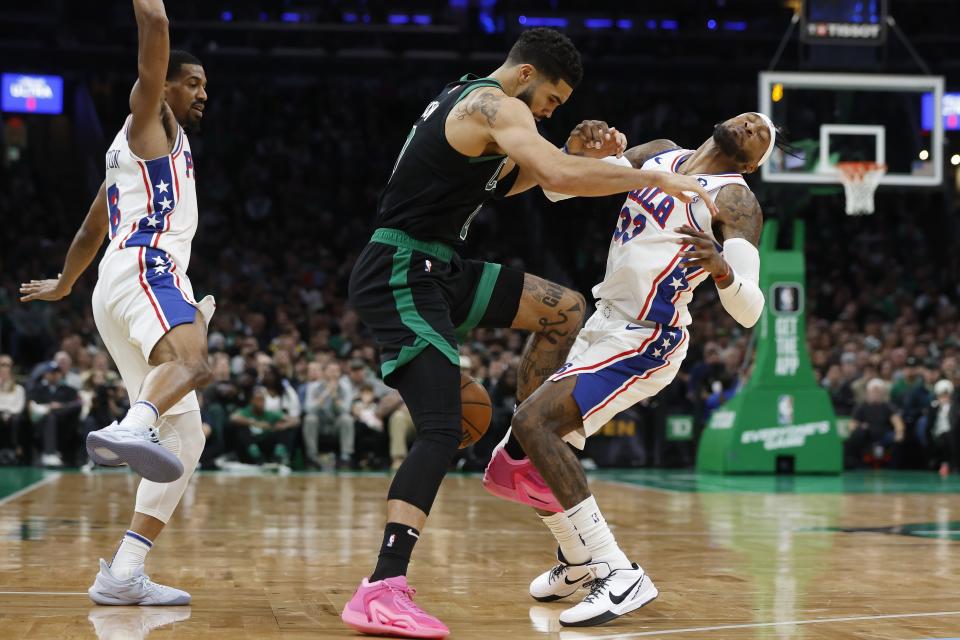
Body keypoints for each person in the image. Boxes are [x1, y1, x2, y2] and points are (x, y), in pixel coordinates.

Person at [341, 27, 717, 639]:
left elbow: (519, 181)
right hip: (403, 269)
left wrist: (575, 152)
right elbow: (556, 178)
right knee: (442, 428)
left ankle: (522, 453)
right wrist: (652, 178)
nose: (549, 111)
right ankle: (381, 588)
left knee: (564, 309)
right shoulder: (494, 103)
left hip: (442, 267)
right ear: (525, 75)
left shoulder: (478, 105)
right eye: (551, 101)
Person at [483, 112, 778, 627]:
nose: (753, 122)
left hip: (648, 336)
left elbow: (750, 310)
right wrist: (580, 150)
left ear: (752, 163)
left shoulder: (735, 198)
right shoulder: (660, 152)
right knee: (533, 451)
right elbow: (559, 191)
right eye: (751, 116)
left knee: (533, 424)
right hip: (604, 322)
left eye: (761, 134)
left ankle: (619, 572)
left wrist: (723, 270)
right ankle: (576, 563)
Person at [19, 0, 211, 606]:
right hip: (149, 267)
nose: (203, 92)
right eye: (193, 81)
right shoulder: (148, 122)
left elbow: (88, 232)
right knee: (195, 364)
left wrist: (65, 283)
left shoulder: (121, 161)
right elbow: (154, 26)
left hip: (112, 283)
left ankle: (123, 573)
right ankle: (132, 424)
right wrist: (152, 17)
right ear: (166, 85)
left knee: (189, 437)